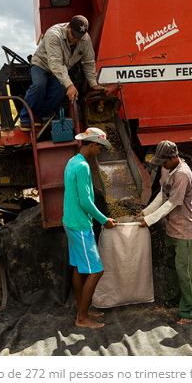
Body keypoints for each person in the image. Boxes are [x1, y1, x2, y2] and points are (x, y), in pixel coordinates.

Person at [136, 140, 192, 324]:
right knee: (170, 267)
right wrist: (146, 211)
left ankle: (189, 311)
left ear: (174, 157)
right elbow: (163, 195)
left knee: (185, 272)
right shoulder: (166, 168)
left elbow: (171, 203)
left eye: (164, 161)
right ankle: (172, 301)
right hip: (171, 228)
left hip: (185, 232)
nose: (161, 165)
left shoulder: (183, 175)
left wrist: (149, 220)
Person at [63, 127, 117, 328]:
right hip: (80, 225)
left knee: (79, 267)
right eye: (99, 148)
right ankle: (82, 318)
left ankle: (82, 309)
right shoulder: (83, 167)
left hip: (70, 221)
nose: (99, 152)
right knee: (96, 271)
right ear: (93, 144)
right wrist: (104, 220)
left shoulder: (72, 161)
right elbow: (85, 202)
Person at [19, 15, 105, 131]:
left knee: (60, 89)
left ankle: (39, 115)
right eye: (74, 36)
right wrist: (69, 84)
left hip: (63, 67)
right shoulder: (53, 34)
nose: (77, 39)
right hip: (42, 64)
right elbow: (55, 63)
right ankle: (26, 118)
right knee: (39, 84)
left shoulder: (85, 39)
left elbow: (88, 61)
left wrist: (93, 83)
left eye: (80, 37)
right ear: (68, 27)